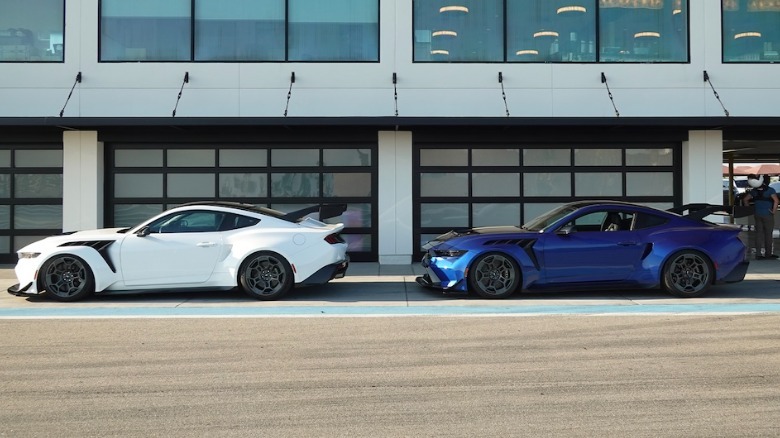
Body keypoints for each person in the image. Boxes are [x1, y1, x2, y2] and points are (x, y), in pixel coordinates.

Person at [742, 174, 779, 259]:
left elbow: (745, 199)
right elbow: (776, 201)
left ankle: (758, 254)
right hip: (768, 214)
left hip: (757, 214)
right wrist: (773, 211)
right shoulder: (770, 190)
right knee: (768, 234)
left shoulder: (754, 191)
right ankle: (768, 254)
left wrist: (750, 209)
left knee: (758, 234)